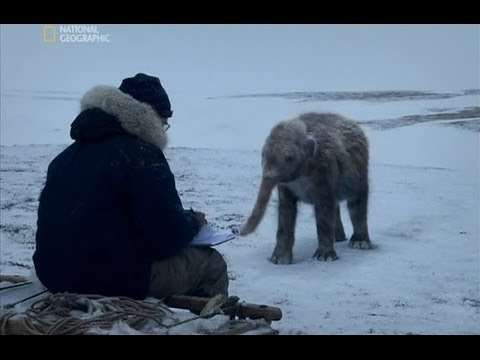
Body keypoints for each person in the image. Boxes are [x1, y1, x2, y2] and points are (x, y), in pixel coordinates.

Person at [33, 73, 229, 300]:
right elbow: (167, 238)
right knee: (211, 264)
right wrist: (193, 222)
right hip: (108, 279)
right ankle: (205, 325)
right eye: (164, 123)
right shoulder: (141, 154)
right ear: (152, 117)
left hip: (54, 275)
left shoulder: (65, 157)